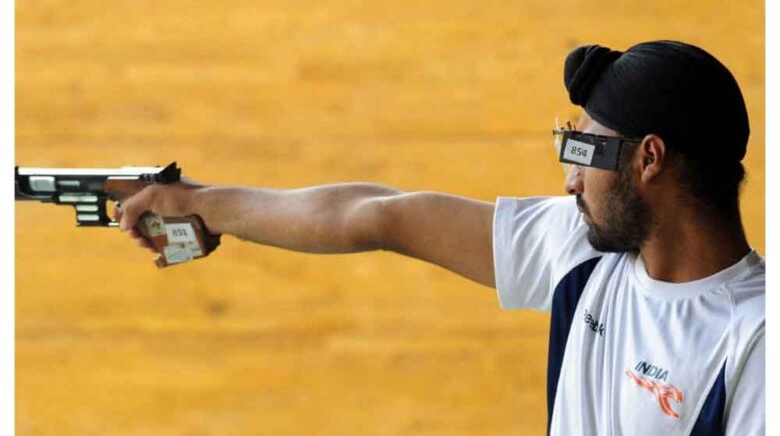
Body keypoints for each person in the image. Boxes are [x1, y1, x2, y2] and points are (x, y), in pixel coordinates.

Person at [115, 40, 765, 436]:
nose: (570, 180)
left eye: (583, 150)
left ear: (649, 159)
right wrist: (202, 205)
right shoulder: (583, 251)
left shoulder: (756, 341)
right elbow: (375, 215)